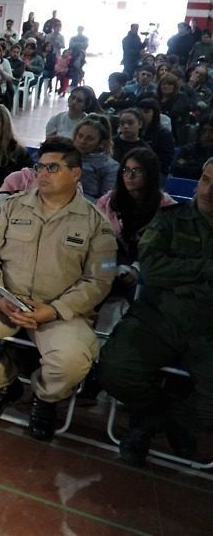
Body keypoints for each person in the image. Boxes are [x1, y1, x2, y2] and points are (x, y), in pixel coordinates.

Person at [0, 138, 117, 440]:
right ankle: (3, 383)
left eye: (53, 167)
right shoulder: (12, 206)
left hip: (60, 310)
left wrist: (54, 310)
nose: (43, 173)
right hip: (6, 299)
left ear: (75, 173)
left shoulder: (95, 224)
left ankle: (46, 398)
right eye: (40, 166)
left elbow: (98, 281)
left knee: (72, 361)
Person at [99, 158, 213, 466]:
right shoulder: (170, 220)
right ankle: (162, 417)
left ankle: (151, 422)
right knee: (114, 371)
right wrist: (205, 269)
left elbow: (166, 269)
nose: (208, 190)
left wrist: (182, 274)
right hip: (157, 317)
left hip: (207, 330)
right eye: (204, 179)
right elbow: (151, 268)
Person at [96, 147, 174, 305]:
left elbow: (165, 249)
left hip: (148, 265)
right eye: (126, 169)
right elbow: (96, 238)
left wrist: (136, 268)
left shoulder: (166, 206)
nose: (129, 176)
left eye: (137, 171)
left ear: (149, 174)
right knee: (102, 269)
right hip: (112, 263)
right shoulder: (108, 201)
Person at [72, 114, 119, 202]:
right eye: (80, 136)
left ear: (101, 143)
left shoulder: (111, 167)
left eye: (90, 139)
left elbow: (105, 203)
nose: (82, 141)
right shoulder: (64, 157)